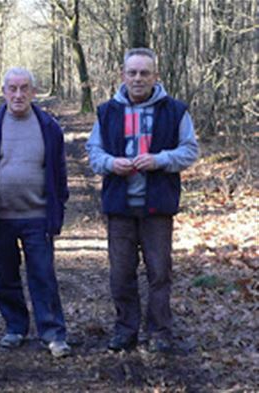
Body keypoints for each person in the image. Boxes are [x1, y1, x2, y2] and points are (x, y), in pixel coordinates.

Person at [86, 48, 198, 353]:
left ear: (155, 76)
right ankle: (126, 329)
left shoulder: (175, 111)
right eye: (132, 72)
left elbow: (190, 151)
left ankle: (160, 331)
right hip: (120, 206)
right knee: (121, 273)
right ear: (123, 75)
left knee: (159, 272)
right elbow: (94, 153)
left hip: (157, 207)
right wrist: (111, 164)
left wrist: (160, 160)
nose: (138, 78)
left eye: (144, 73)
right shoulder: (107, 111)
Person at [0, 67, 71, 358]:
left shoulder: (49, 126)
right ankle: (15, 327)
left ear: (34, 92)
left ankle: (53, 333)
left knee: (43, 275)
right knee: (5, 275)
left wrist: (58, 209)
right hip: (0, 217)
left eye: (24, 88)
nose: (18, 95)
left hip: (37, 216)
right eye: (12, 88)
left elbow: (59, 172)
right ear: (4, 91)